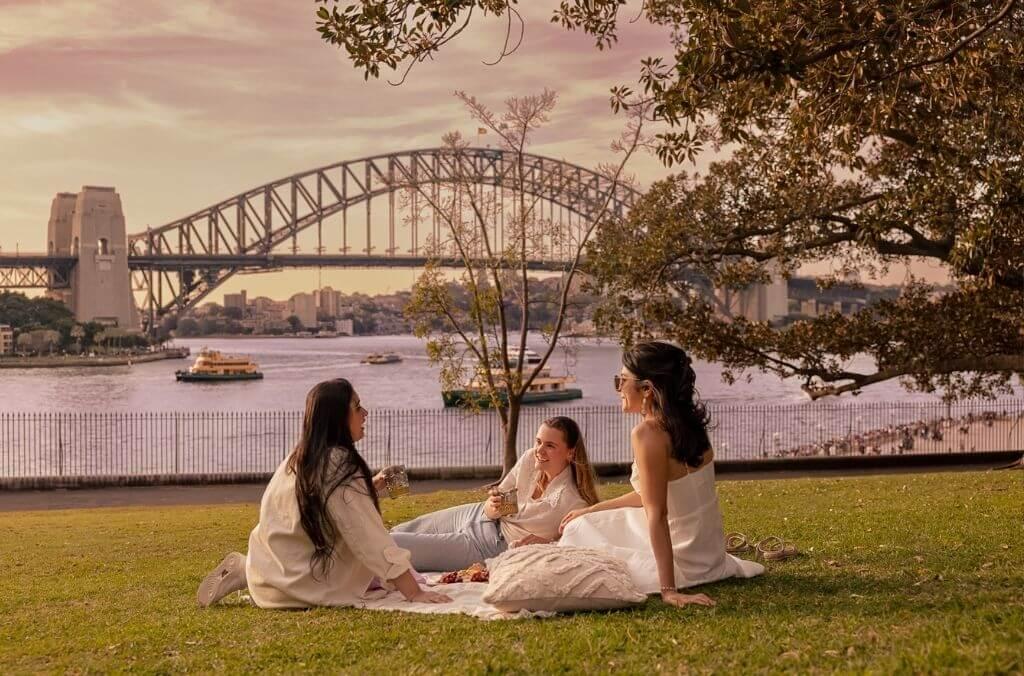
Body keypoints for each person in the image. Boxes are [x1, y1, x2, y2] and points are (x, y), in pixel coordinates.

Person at [196, 378, 450, 608]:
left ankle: (249, 571)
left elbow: (323, 505)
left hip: (274, 572)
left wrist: (371, 486)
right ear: (338, 417)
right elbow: (367, 534)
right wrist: (413, 592)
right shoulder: (339, 464)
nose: (365, 413)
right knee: (377, 567)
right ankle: (248, 572)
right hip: (305, 587)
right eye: (357, 407)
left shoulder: (299, 458)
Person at [559, 342, 764, 608]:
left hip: (683, 558)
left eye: (621, 380)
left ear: (647, 390)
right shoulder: (691, 425)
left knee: (578, 531)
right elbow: (652, 495)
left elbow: (658, 515)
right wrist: (592, 509)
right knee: (587, 520)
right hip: (708, 554)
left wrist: (669, 590)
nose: (618, 388)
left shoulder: (648, 434)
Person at [389, 416, 599, 572]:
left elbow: (580, 547)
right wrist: (492, 505)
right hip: (476, 514)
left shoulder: (572, 502)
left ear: (570, 453)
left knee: (394, 546)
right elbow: (501, 497)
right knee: (397, 531)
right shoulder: (529, 460)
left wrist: (549, 544)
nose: (539, 450)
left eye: (550, 446)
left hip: (486, 546)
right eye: (538, 441)